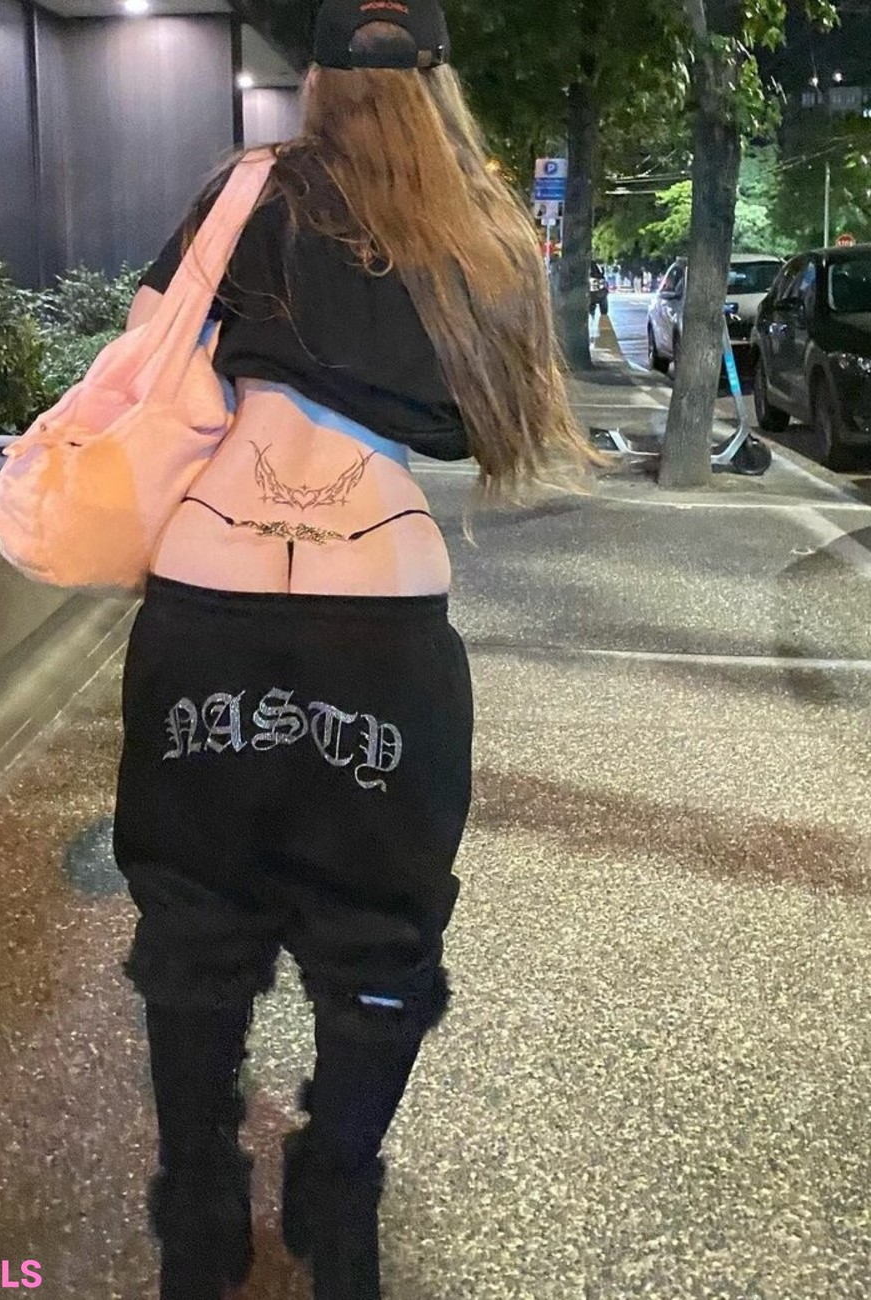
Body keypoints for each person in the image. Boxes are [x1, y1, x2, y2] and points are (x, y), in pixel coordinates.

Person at [111, 2, 597, 1297]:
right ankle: (339, 1196)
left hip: (209, 590)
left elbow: (144, 355)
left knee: (194, 922)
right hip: (380, 607)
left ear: (318, 78)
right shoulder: (486, 230)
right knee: (381, 936)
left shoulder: (246, 193)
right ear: (437, 81)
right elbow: (492, 425)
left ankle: (199, 1209)